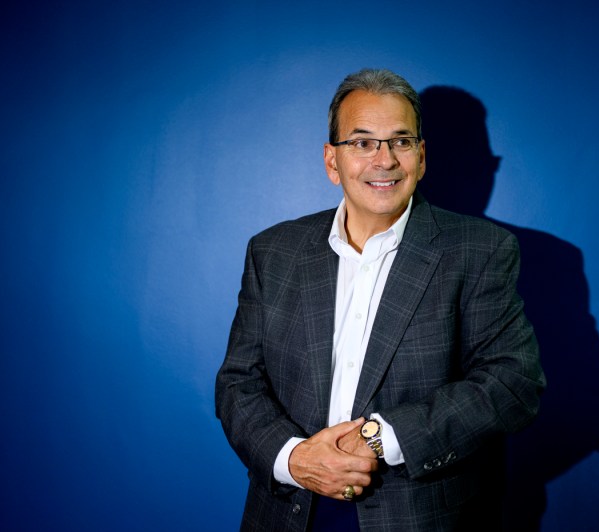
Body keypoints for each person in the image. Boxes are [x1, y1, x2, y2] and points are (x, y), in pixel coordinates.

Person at [215, 68, 545, 531]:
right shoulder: (273, 251)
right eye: (363, 142)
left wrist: (379, 438)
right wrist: (295, 458)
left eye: (401, 141)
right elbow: (238, 383)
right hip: (289, 509)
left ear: (421, 156)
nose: (384, 159)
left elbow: (513, 384)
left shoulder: (481, 250)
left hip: (419, 515)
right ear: (333, 162)